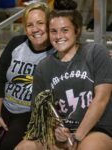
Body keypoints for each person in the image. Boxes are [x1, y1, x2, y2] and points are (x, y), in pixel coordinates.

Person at [14, 0, 112, 150]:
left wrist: (77, 136)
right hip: (64, 133)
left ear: (77, 30)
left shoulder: (95, 52)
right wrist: (56, 130)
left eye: (65, 30)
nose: (59, 36)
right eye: (53, 31)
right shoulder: (44, 67)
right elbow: (43, 111)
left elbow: (101, 99)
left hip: (97, 128)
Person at [0, 2, 54, 150]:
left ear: (49, 25)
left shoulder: (55, 52)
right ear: (25, 28)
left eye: (40, 23)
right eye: (30, 25)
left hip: (29, 112)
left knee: (7, 147)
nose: (35, 29)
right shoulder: (16, 43)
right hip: (5, 104)